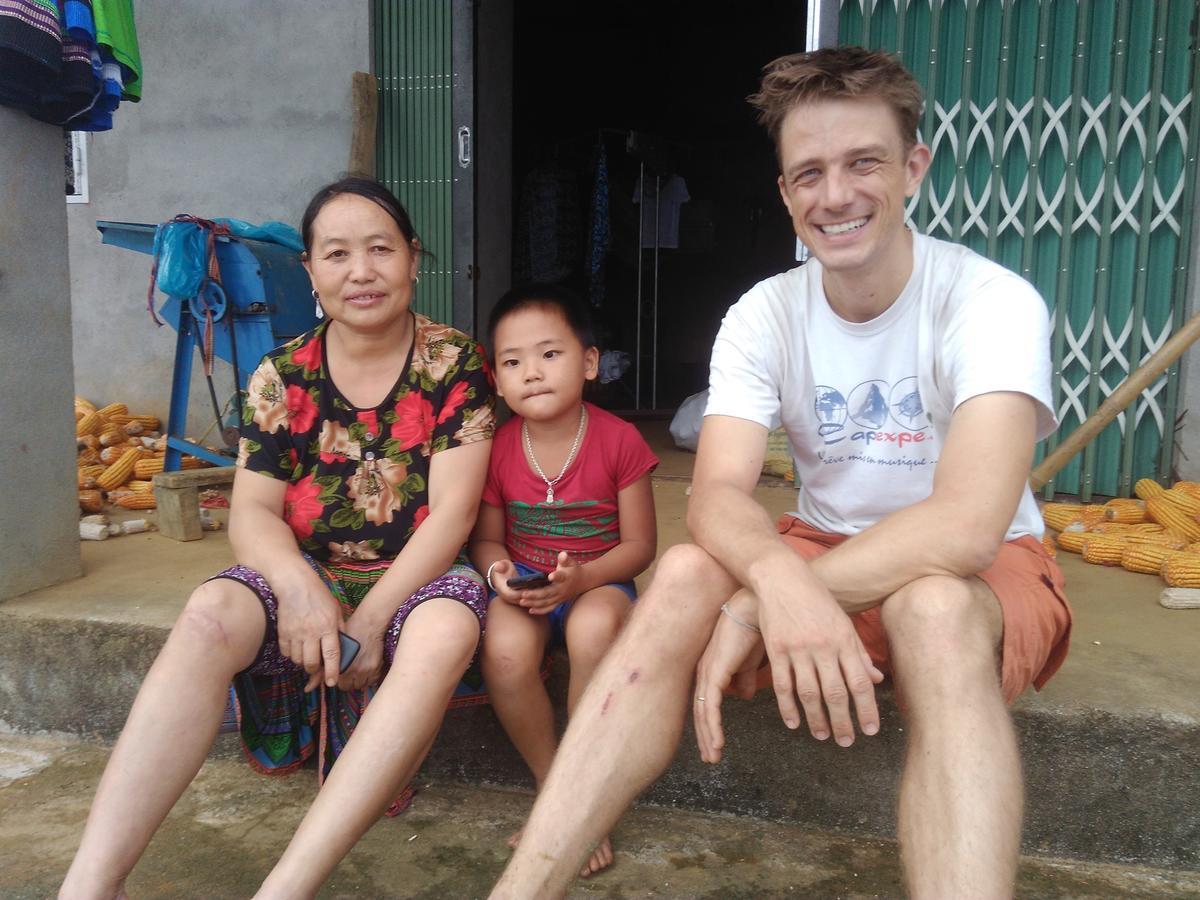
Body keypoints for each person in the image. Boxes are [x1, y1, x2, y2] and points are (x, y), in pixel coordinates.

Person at [490, 46, 1073, 899]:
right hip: (822, 542)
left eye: (863, 163)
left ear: (913, 167)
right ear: (785, 191)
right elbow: (716, 495)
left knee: (934, 606)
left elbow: (967, 525)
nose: (834, 195)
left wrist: (768, 599)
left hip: (984, 569)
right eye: (808, 173)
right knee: (689, 569)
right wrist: (772, 579)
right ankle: (525, 887)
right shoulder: (764, 313)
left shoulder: (989, 300)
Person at [60, 176, 496, 900]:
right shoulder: (280, 375)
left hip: (416, 578)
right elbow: (252, 513)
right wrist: (297, 588)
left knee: (446, 629)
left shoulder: (454, 364)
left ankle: (286, 889)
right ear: (311, 271)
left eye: (381, 249)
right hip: (308, 568)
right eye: (338, 254)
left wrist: (373, 614)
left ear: (414, 260)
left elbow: (452, 514)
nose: (362, 271)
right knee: (207, 616)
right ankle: (92, 884)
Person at [470, 284, 658, 878]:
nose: (531, 372)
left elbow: (640, 547)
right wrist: (499, 572)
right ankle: (554, 786)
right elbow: (488, 540)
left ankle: (583, 796)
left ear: (590, 362)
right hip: (528, 582)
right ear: (496, 380)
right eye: (512, 361)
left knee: (595, 630)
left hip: (601, 580)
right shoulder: (497, 450)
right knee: (502, 652)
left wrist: (585, 581)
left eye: (550, 354)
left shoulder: (619, 440)